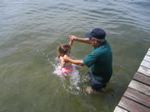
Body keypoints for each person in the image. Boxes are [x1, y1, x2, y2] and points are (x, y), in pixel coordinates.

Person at [63, 28, 113, 93]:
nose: (89, 40)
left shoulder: (99, 52)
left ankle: (100, 92)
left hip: (101, 78)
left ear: (95, 41)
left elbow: (82, 63)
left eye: (90, 39)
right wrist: (76, 39)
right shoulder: (103, 42)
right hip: (97, 72)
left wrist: (68, 59)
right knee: (88, 78)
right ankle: (94, 81)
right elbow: (89, 41)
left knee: (87, 91)